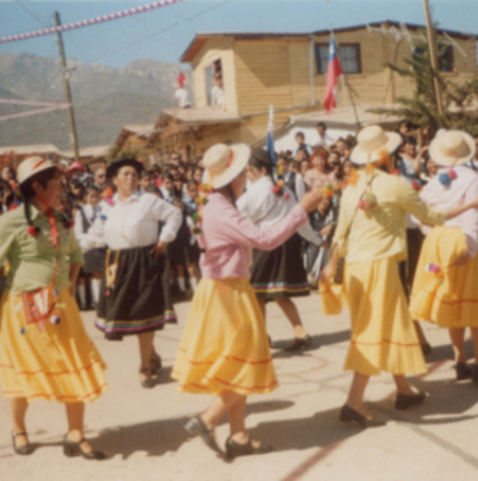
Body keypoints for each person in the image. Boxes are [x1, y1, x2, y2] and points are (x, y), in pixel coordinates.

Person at [172, 143, 323, 459]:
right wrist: (302, 208)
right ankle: (208, 418)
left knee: (238, 360)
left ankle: (239, 435)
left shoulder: (213, 202)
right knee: (246, 358)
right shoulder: (220, 208)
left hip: (223, 288)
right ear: (231, 177)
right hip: (227, 292)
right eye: (241, 173)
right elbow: (265, 240)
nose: (244, 178)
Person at [320, 125, 478, 427]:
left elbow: (341, 231)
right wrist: (470, 205)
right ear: (390, 155)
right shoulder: (396, 186)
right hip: (379, 266)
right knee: (373, 330)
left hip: (354, 266)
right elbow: (432, 217)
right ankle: (354, 402)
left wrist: (330, 264)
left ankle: (404, 389)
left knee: (392, 325)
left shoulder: (352, 185)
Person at [0, 156, 108, 459]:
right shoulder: (9, 221)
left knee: (72, 366)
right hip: (23, 309)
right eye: (55, 185)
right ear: (36, 187)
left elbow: (75, 257)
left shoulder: (62, 219)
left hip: (61, 308)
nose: (61, 190)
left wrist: (67, 289)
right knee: (24, 372)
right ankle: (19, 429)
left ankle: (76, 433)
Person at [80, 158, 182, 389]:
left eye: (134, 174)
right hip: (117, 264)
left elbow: (175, 215)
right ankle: (152, 355)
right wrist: (71, 251)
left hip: (145, 261)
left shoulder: (148, 201)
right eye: (125, 174)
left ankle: (145, 366)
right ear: (114, 179)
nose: (131, 178)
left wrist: (165, 238)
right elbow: (96, 235)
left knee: (144, 313)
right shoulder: (107, 206)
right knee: (133, 315)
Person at [238, 148, 326, 350]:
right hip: (284, 244)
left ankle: (261, 336)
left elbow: (237, 217)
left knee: (257, 293)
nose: (248, 175)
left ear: (259, 170)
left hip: (264, 246)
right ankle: (300, 333)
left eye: (249, 171)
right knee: (277, 293)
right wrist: (314, 238)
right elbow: (300, 218)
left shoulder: (255, 191)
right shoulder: (285, 190)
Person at [409, 130, 478, 382]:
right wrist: (470, 249)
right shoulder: (472, 178)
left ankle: (460, 359)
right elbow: (473, 215)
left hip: (438, 240)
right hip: (463, 237)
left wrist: (432, 231)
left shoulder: (435, 181)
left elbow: (418, 213)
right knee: (472, 302)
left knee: (452, 299)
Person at [74, 186, 106, 310]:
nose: (94, 199)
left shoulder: (104, 209)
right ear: (85, 198)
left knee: (105, 272)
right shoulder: (81, 212)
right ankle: (96, 300)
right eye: (91, 196)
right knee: (95, 273)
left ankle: (105, 299)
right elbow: (78, 233)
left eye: (96, 196)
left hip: (104, 244)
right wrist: (93, 238)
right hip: (90, 246)